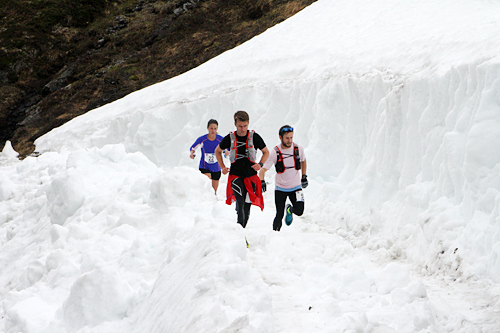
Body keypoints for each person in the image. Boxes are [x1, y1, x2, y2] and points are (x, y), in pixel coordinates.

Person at [215, 111, 269, 228]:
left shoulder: (254, 137)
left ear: (248, 124)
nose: (243, 129)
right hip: (236, 177)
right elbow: (217, 151)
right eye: (240, 126)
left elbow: (266, 152)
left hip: (251, 177)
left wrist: (260, 164)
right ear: (235, 124)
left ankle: (242, 231)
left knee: (246, 207)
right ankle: (241, 237)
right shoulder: (230, 138)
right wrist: (222, 167)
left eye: (245, 126)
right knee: (240, 206)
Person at [259, 125, 308, 231]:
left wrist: (304, 176)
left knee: (300, 211)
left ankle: (290, 209)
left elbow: (303, 161)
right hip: (280, 188)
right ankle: (274, 235)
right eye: (287, 138)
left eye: (291, 137)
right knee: (279, 214)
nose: (289, 140)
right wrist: (262, 181)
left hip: (296, 187)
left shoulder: (298, 149)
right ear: (280, 138)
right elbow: (262, 170)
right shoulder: (275, 152)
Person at [189, 119, 228, 194]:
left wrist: (226, 152)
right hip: (204, 167)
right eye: (211, 128)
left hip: (216, 168)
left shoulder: (220, 140)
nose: (213, 130)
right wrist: (192, 153)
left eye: (215, 128)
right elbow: (193, 148)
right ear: (207, 128)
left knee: (214, 192)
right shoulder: (202, 139)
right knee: (207, 182)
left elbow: (227, 150)